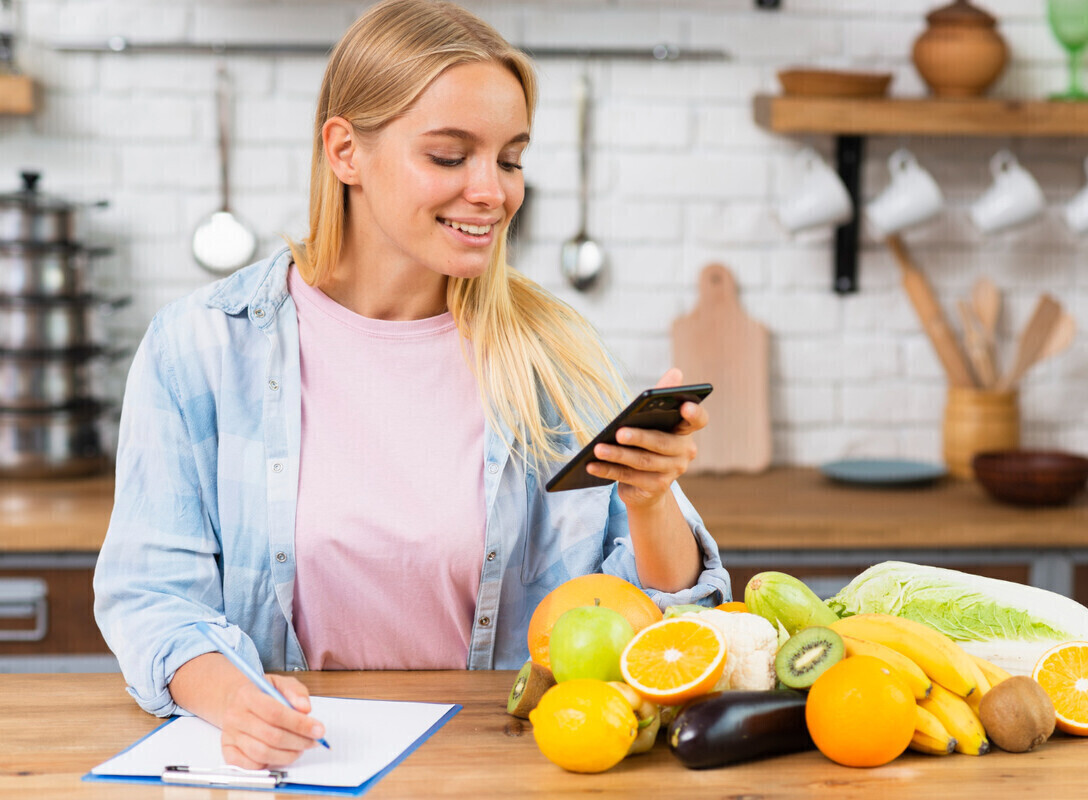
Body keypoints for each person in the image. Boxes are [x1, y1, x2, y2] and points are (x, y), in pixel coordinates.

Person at [93, 0, 730, 771]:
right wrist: (237, 701)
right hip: (291, 767)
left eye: (510, 158)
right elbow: (151, 595)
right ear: (345, 151)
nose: (492, 191)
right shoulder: (200, 346)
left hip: (501, 767)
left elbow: (666, 625)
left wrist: (651, 499)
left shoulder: (549, 356)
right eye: (449, 155)